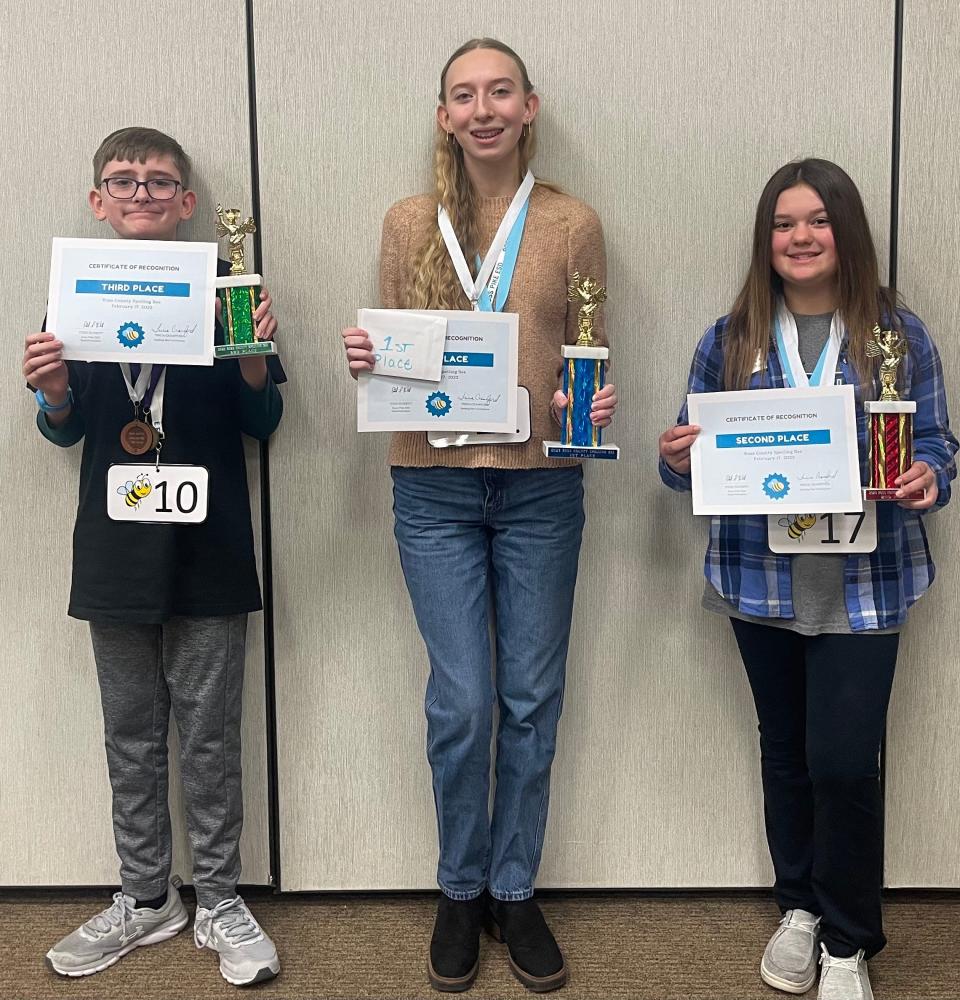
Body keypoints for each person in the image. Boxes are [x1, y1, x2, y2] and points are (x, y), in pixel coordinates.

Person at [342, 38, 616, 994]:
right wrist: (370, 361)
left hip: (542, 487)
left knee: (530, 701)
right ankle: (460, 889)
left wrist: (591, 402)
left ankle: (515, 885)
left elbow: (588, 350)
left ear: (530, 106)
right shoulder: (408, 220)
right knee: (460, 703)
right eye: (466, 94)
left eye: (502, 90)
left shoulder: (574, 222)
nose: (485, 107)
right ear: (445, 115)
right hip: (433, 488)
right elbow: (403, 353)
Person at [658, 158, 957, 1000]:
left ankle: (848, 940)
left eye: (817, 221)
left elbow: (937, 441)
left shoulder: (898, 334)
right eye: (785, 224)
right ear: (767, 239)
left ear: (846, 232)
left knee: (841, 762)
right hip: (760, 583)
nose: (800, 236)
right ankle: (798, 906)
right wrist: (673, 457)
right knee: (786, 754)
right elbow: (694, 469)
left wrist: (931, 475)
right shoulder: (732, 337)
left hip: (868, 585)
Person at [22, 127, 286, 986]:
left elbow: (264, 423)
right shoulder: (78, 298)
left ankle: (219, 899)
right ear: (98, 201)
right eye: (122, 180)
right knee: (130, 734)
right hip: (112, 551)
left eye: (159, 180)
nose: (140, 191)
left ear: (186, 204)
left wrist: (247, 355)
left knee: (208, 736)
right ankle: (145, 898)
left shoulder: (228, 294)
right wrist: (55, 391)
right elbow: (65, 428)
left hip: (207, 548)